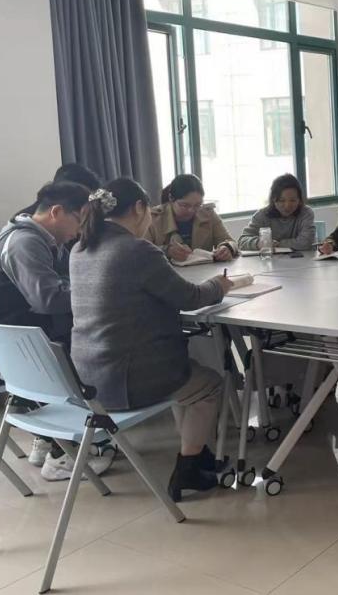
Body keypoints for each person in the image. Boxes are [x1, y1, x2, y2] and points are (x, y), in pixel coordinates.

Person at [69, 179, 233, 502]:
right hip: (126, 378)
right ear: (139, 208)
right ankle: (188, 467)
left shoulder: (80, 249)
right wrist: (220, 285)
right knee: (208, 385)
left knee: (185, 377)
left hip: (87, 376)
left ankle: (197, 454)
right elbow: (191, 297)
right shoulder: (136, 249)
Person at [0, 181, 114, 481]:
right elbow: (49, 299)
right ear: (56, 212)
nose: (81, 230)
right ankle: (63, 453)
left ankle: (47, 440)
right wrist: (97, 289)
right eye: (79, 220)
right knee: (86, 350)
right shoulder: (25, 242)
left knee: (72, 338)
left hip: (7, 343)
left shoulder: (35, 236)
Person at [146, 174, 238, 263]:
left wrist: (227, 248)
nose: (191, 210)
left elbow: (229, 241)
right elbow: (141, 251)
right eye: (184, 205)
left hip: (203, 270)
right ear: (171, 198)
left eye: (197, 205)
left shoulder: (208, 215)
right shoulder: (153, 218)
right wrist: (167, 251)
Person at [238, 174, 316, 252]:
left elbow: (306, 241)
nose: (287, 206)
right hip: (269, 259)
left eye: (293, 200)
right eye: (282, 200)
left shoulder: (306, 213)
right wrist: (258, 243)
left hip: (303, 259)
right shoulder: (262, 215)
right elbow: (242, 241)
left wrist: (278, 244)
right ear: (273, 200)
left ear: (299, 200)